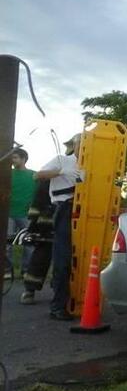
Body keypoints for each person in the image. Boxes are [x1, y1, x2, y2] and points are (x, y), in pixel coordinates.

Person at [34, 134, 82, 320]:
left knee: (81, 259)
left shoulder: (93, 164)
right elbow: (37, 175)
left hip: (84, 211)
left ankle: (77, 302)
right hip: (64, 209)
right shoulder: (63, 161)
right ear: (75, 145)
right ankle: (58, 306)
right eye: (81, 143)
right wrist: (60, 173)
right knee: (63, 258)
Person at [19, 178, 54, 305]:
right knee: (41, 258)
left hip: (55, 223)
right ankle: (30, 290)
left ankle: (31, 291)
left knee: (60, 260)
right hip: (48, 225)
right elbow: (39, 198)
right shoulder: (53, 174)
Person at [6, 148, 35, 278]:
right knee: (7, 243)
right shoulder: (8, 173)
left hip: (26, 214)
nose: (13, 160)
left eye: (15, 157)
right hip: (9, 213)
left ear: (23, 159)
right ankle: (7, 271)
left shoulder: (33, 175)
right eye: (12, 158)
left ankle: (26, 270)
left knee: (28, 243)